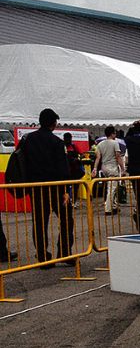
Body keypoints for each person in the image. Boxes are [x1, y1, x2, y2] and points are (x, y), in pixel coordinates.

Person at [22, 108, 74, 265]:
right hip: (56, 188)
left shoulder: (27, 140)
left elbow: (20, 163)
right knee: (66, 220)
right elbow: (63, 168)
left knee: (39, 222)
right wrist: (66, 191)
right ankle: (64, 252)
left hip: (36, 188)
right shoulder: (57, 142)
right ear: (53, 123)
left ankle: (43, 255)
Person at [93, 126, 125, 214]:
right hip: (112, 167)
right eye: (114, 133)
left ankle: (114, 206)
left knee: (110, 187)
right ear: (112, 134)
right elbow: (118, 157)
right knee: (112, 189)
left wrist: (95, 168)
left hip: (104, 167)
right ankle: (108, 209)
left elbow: (98, 158)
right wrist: (123, 169)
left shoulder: (100, 144)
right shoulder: (115, 143)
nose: (115, 134)